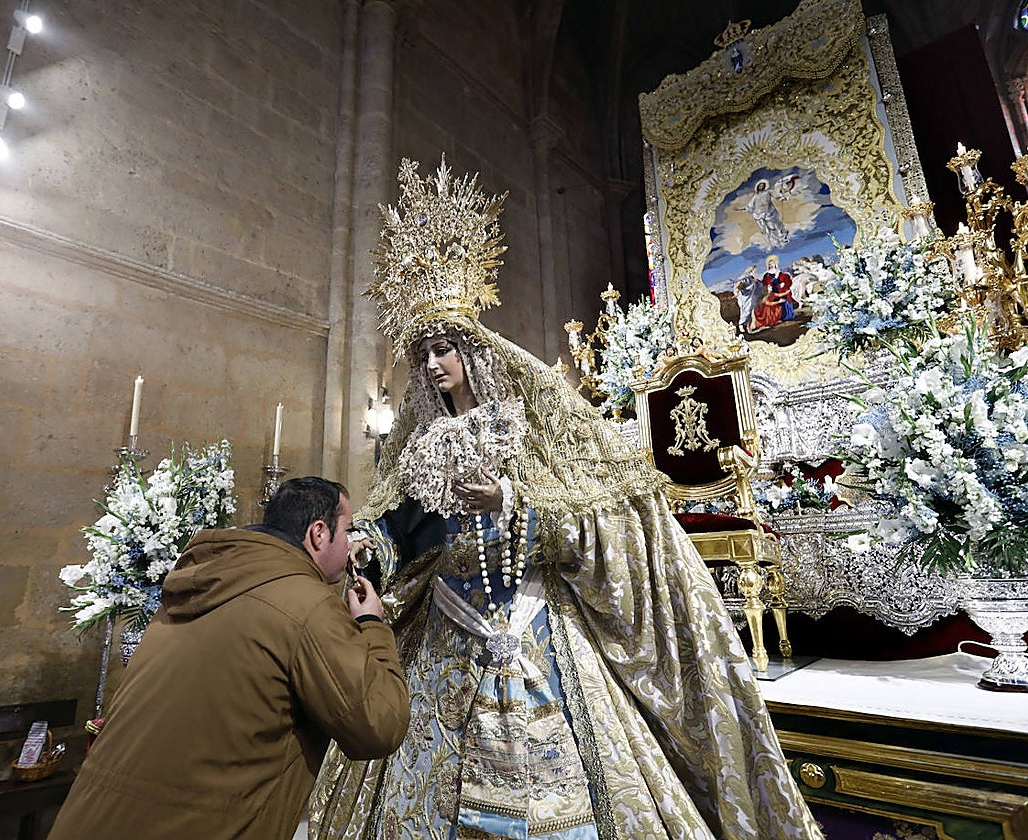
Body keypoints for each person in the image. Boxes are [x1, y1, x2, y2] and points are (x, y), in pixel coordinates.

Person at [309, 158, 823, 839]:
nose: (432, 365)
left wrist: (510, 504)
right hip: (448, 629)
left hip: (533, 624)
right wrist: (371, 544)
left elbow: (597, 522)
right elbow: (406, 523)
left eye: (443, 350)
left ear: (472, 351)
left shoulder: (531, 425)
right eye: (423, 354)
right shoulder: (424, 441)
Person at [49, 477, 410, 840]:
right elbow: (378, 726)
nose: (351, 546)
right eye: (347, 531)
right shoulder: (307, 603)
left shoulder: (196, 583)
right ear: (319, 533)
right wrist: (371, 625)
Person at [755, 254, 796, 328]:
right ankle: (775, 318)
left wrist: (783, 283)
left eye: (773, 263)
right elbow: (766, 283)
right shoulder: (767, 274)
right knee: (774, 304)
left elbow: (784, 279)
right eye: (770, 263)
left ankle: (787, 316)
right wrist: (774, 280)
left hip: (780, 289)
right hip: (772, 290)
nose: (771, 265)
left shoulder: (779, 271)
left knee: (785, 299)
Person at [732, 264, 762, 334]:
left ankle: (747, 326)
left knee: (751, 311)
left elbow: (759, 285)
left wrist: (757, 281)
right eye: (754, 271)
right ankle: (741, 325)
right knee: (746, 311)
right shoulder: (746, 279)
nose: (755, 272)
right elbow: (738, 284)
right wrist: (736, 292)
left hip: (751, 298)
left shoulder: (752, 278)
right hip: (745, 298)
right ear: (750, 271)